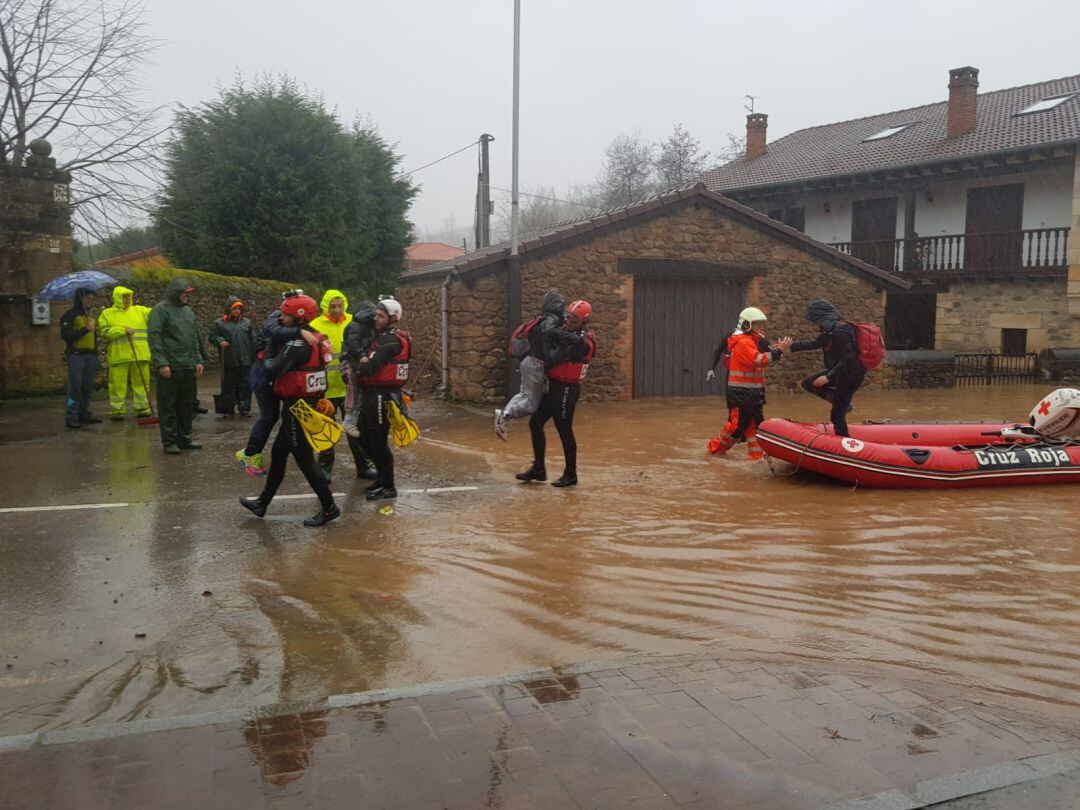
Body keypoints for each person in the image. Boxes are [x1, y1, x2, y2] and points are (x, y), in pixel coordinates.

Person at [239, 294, 340, 526]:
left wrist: (269, 347)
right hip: (305, 405)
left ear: (299, 318)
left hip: (297, 408)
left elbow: (271, 369)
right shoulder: (318, 337)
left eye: (286, 315)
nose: (281, 318)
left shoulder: (297, 345)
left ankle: (329, 508)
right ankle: (263, 503)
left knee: (304, 459)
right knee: (278, 453)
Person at [235, 289, 319, 475]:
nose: (283, 316)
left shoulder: (299, 325)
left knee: (284, 414)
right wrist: (299, 332)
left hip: (277, 376)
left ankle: (279, 453)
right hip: (263, 375)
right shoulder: (277, 319)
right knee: (269, 415)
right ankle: (250, 453)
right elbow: (274, 331)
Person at [518, 299, 596, 488]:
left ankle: (570, 474)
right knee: (535, 423)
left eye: (574, 318)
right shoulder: (567, 333)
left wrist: (547, 338)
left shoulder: (579, 341)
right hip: (553, 387)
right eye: (567, 316)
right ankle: (538, 468)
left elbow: (552, 360)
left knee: (564, 429)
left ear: (584, 321)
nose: (568, 320)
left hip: (567, 390)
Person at [706, 307, 791, 460]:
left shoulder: (755, 340)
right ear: (746, 324)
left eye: (761, 324)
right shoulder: (743, 342)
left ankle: (758, 457)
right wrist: (779, 351)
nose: (761, 327)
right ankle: (713, 451)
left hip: (754, 393)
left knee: (757, 426)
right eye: (757, 324)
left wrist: (777, 350)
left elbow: (766, 354)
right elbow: (758, 359)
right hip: (741, 393)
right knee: (737, 426)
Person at [310, 290, 377, 482]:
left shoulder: (353, 322)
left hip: (350, 387)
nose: (337, 309)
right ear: (325, 307)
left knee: (354, 428)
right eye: (332, 306)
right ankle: (324, 467)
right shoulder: (315, 326)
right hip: (325, 388)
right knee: (326, 429)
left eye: (340, 305)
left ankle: (363, 465)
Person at [353, 297, 412, 501]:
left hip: (383, 394)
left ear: (393, 318)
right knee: (361, 435)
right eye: (376, 315)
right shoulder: (383, 336)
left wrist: (358, 362)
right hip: (374, 394)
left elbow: (370, 368)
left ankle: (388, 486)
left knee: (378, 441)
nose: (375, 319)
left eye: (381, 316)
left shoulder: (390, 339)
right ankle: (382, 478)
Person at [493, 290, 565, 440]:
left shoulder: (541, 318)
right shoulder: (551, 319)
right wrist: (563, 336)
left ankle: (503, 418)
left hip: (528, 361)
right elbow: (548, 332)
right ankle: (504, 415)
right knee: (531, 404)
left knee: (523, 394)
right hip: (536, 363)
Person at [789, 298, 865, 438]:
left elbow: (849, 358)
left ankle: (844, 443)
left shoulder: (840, 332)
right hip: (839, 372)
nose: (815, 324)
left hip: (850, 376)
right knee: (809, 383)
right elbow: (814, 344)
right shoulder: (829, 332)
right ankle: (843, 404)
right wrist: (788, 346)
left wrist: (828, 376)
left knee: (837, 415)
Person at [147, 278, 206, 454]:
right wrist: (162, 363)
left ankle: (185, 438)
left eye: (188, 293)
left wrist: (198, 360)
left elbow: (194, 337)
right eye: (184, 293)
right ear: (176, 292)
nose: (187, 296)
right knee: (168, 406)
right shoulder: (160, 311)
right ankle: (170, 441)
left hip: (188, 366)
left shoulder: (188, 311)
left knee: (186, 406)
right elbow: (155, 338)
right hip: (170, 367)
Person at [96, 286, 152, 421]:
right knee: (117, 385)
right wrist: (121, 330)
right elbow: (103, 331)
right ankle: (117, 411)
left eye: (128, 297)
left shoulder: (141, 311)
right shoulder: (107, 314)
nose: (127, 299)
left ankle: (143, 409)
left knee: (142, 383)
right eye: (124, 297)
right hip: (119, 356)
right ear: (117, 298)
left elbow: (157, 314)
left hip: (140, 354)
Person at [59, 287, 101, 429]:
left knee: (87, 387)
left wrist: (95, 353)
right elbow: (66, 335)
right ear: (80, 299)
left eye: (92, 299)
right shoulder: (69, 315)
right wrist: (85, 329)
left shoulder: (90, 317)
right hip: (76, 355)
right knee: (75, 388)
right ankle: (71, 416)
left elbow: (93, 339)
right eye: (87, 298)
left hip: (91, 355)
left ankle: (84, 413)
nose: (90, 301)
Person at [208, 297, 255, 416]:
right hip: (229, 359)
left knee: (245, 385)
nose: (237, 311)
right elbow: (212, 336)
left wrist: (254, 356)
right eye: (234, 308)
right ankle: (228, 409)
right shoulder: (219, 323)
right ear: (228, 309)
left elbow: (252, 339)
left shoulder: (246, 322)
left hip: (245, 359)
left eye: (239, 308)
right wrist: (220, 340)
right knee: (229, 386)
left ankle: (244, 408)